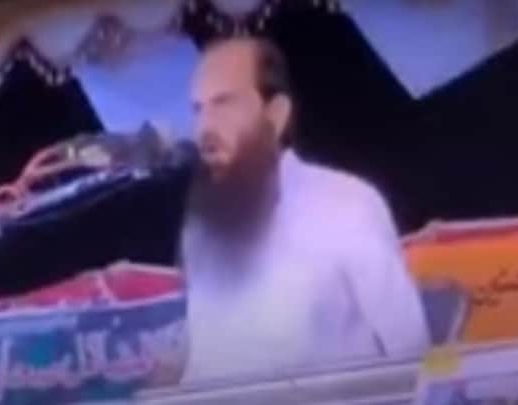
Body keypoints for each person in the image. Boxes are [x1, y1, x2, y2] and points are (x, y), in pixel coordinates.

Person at [179, 37, 430, 383]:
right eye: (198, 109)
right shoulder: (202, 226)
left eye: (224, 104)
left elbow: (411, 355)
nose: (205, 127)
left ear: (276, 114)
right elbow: (204, 363)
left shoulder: (347, 206)